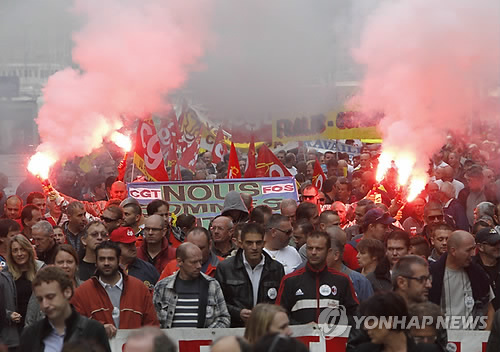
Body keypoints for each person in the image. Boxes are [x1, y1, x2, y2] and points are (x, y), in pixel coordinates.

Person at [72, 241, 159, 338]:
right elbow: (75, 328)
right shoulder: (82, 292)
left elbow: (152, 326)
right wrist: (97, 329)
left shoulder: (139, 289)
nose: (106, 263)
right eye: (102, 259)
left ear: (119, 260)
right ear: (95, 262)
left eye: (111, 259)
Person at [18, 266, 111, 352]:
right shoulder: (31, 335)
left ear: (67, 292)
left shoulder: (93, 330)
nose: (45, 305)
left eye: (50, 297)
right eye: (40, 299)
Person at [276, 231, 358, 324]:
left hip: (334, 337)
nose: (313, 252)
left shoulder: (342, 280)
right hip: (299, 337)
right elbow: (279, 315)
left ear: (328, 251)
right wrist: (303, 328)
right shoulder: (290, 280)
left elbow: (353, 314)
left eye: (319, 249)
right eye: (310, 248)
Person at [215, 222, 285, 327]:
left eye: (258, 243)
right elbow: (218, 303)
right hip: (236, 328)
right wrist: (238, 313)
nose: (254, 247)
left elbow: (281, 302)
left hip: (266, 327)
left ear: (264, 243)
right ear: (241, 244)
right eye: (249, 243)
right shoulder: (225, 268)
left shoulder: (276, 268)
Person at [153, 242, 230, 328]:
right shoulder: (162, 287)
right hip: (171, 340)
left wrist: (206, 336)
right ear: (180, 262)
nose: (199, 266)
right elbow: (153, 321)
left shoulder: (212, 285)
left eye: (200, 261)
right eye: (193, 262)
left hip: (204, 340)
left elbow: (224, 318)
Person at [428, 230, 495, 330]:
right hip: (441, 339)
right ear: (453, 251)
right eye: (468, 250)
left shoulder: (478, 274)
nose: (472, 254)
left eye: (473, 249)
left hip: (472, 340)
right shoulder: (432, 275)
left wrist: (484, 337)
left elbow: (489, 308)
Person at [354, 292, 441, 352]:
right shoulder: (363, 350)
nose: (365, 327)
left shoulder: (429, 350)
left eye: (371, 321)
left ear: (390, 322)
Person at [25, 244, 83, 327]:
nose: (65, 266)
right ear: (54, 264)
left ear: (76, 264)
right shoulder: (41, 289)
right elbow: (29, 321)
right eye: (60, 262)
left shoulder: (84, 288)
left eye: (69, 262)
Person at [326, 226, 374, 302]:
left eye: (324, 251)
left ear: (336, 254)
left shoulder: (359, 281)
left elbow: (369, 311)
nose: (316, 254)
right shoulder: (310, 278)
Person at [6, 234, 44, 330]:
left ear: (28, 250)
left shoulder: (42, 270)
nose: (19, 254)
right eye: (15, 250)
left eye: (22, 249)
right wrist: (8, 314)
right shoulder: (5, 275)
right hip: (14, 328)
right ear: (11, 254)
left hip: (38, 325)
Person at [473, 228, 500, 311]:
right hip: (482, 319)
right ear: (480, 247)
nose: (498, 246)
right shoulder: (472, 268)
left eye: (499, 242)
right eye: (493, 244)